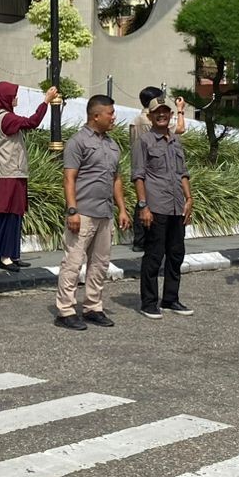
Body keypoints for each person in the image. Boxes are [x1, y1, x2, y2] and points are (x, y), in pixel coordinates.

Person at [54, 95, 130, 331]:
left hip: (105, 212)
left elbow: (116, 178)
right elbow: (69, 178)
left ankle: (93, 307)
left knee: (100, 264)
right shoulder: (78, 142)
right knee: (73, 262)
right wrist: (72, 210)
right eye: (110, 113)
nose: (113, 117)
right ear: (96, 116)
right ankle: (65, 311)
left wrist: (122, 209)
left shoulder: (112, 144)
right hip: (83, 212)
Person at [0, 81, 59, 271]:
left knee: (15, 213)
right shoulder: (7, 118)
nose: (16, 97)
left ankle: (12, 254)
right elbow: (32, 122)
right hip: (8, 174)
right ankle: (4, 256)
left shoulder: (5, 116)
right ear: (7, 98)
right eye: (13, 95)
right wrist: (46, 102)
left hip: (12, 173)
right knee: (7, 213)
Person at [131, 98, 193, 320]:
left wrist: (189, 198)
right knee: (154, 255)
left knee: (176, 254)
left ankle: (170, 298)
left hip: (177, 207)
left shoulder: (175, 141)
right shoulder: (144, 141)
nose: (162, 115)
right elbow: (138, 176)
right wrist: (143, 206)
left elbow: (183, 172)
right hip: (156, 206)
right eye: (157, 112)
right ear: (150, 116)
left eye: (165, 112)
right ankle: (148, 302)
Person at [129, 86, 187, 251]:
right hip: (154, 171)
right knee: (146, 206)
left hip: (143, 165)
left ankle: (139, 241)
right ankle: (143, 242)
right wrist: (180, 110)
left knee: (141, 202)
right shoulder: (151, 121)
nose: (162, 114)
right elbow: (180, 129)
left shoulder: (136, 120)